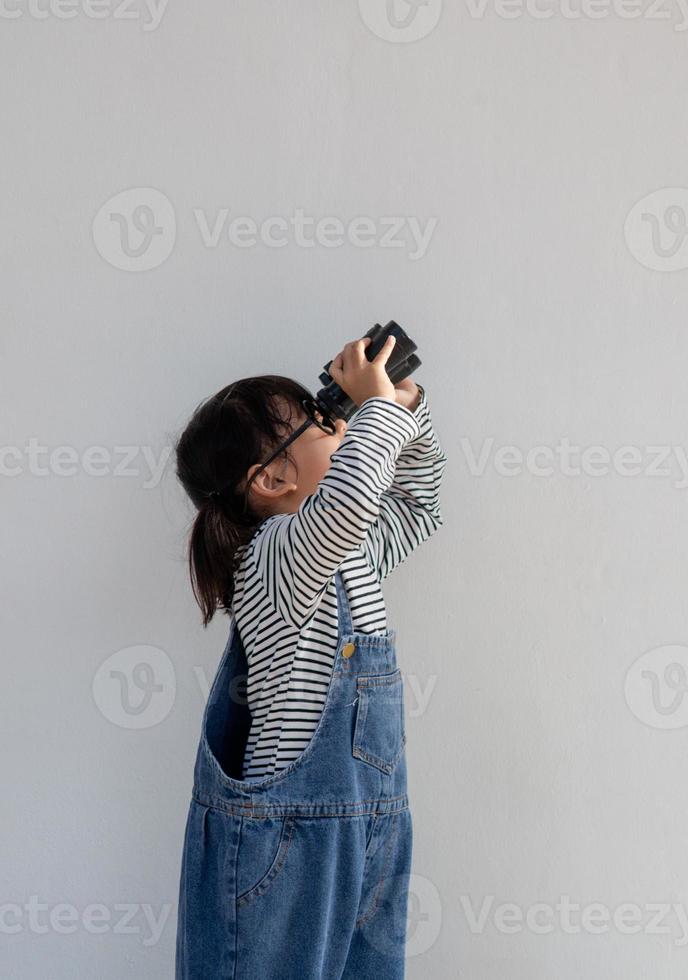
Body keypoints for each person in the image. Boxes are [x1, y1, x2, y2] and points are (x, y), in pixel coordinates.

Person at [170, 335, 446, 979]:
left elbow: (417, 505)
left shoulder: (350, 553)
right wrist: (379, 408)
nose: (341, 424)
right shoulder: (276, 555)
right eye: (321, 420)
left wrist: (409, 404)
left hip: (368, 828)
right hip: (292, 838)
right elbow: (348, 504)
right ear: (270, 478)